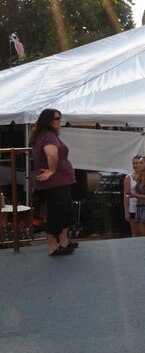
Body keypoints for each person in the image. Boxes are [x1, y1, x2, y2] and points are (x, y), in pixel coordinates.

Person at [31, 108, 77, 256]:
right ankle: (52, 246)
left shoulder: (46, 135)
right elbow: (51, 154)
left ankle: (63, 241)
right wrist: (52, 170)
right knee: (57, 211)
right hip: (56, 181)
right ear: (48, 121)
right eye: (57, 118)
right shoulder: (48, 136)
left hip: (60, 181)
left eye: (59, 118)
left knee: (66, 209)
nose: (59, 121)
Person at [123, 156, 142, 238]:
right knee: (135, 232)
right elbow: (126, 195)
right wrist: (126, 212)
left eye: (138, 163)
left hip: (144, 207)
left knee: (144, 232)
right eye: (134, 163)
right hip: (133, 208)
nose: (136, 165)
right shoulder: (128, 177)